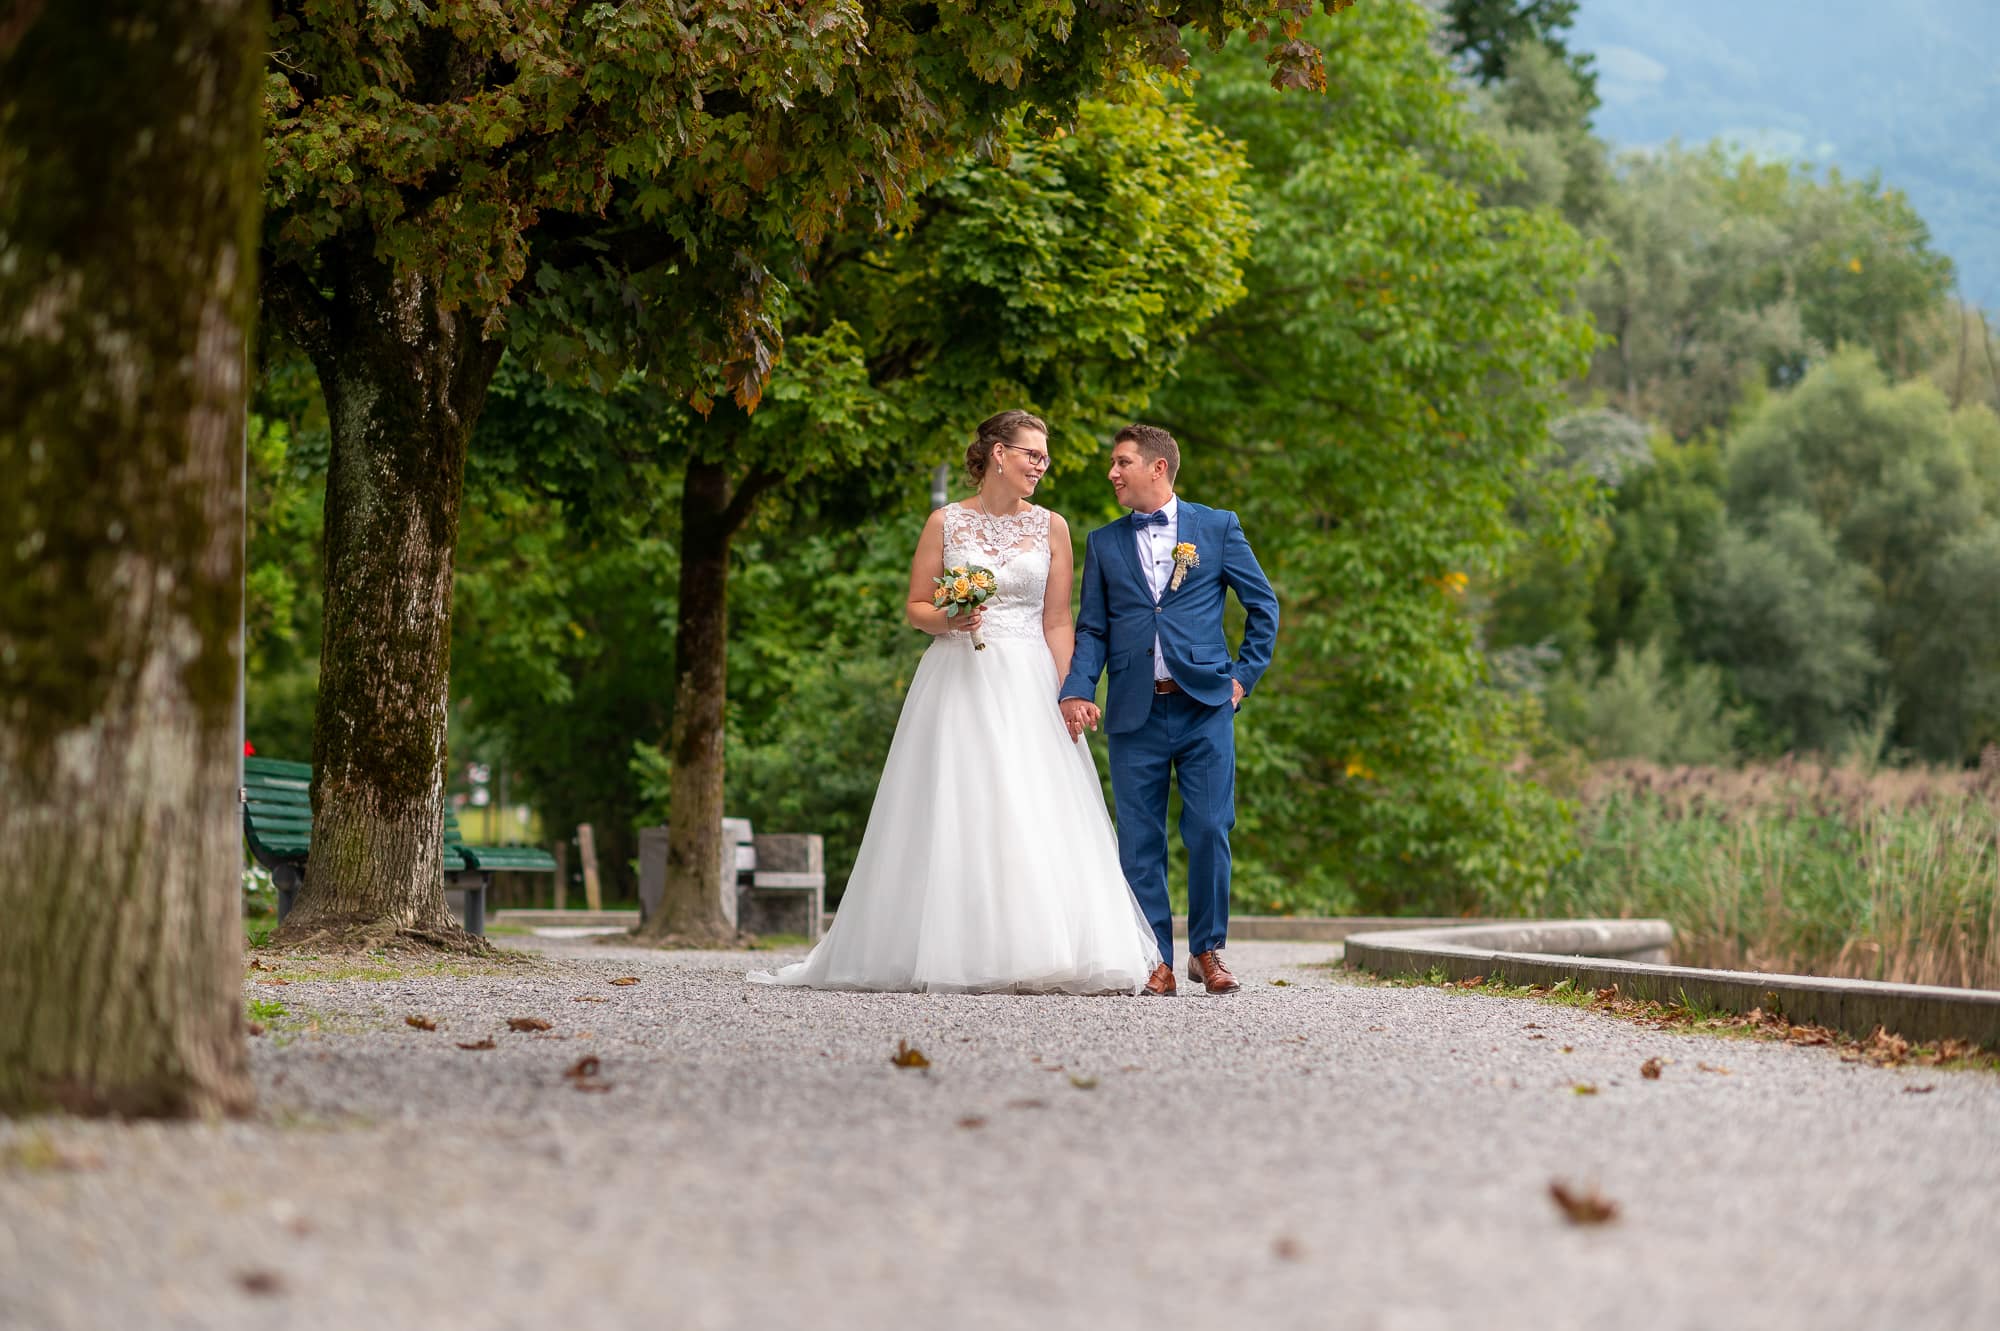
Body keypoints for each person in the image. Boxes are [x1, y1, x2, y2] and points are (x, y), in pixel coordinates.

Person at [748, 411, 1160, 994]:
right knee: (959, 806)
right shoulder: (946, 522)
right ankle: (958, 948)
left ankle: (1041, 948)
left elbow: (1057, 619)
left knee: (1031, 806)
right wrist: (950, 619)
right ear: (998, 453)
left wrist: (1072, 691)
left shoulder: (1054, 527)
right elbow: (917, 606)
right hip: (958, 676)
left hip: (1029, 680)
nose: (1041, 466)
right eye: (1032, 454)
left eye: (1045, 457)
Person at [1059, 424, 1279, 996]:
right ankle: (1153, 956)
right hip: (1134, 709)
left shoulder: (1217, 527)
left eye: (1122, 462)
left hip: (1205, 704)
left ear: (1158, 468)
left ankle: (1208, 950)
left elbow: (1263, 606)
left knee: (1209, 828)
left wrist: (1242, 678)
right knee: (1139, 839)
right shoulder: (1103, 542)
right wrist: (1078, 689)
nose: (1112, 473)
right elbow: (1092, 628)